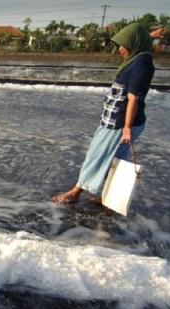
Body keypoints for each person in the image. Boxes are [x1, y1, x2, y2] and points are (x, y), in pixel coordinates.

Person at [52, 23, 156, 204]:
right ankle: (111, 200)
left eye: (123, 45)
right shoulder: (141, 58)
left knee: (96, 156)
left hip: (119, 123)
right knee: (117, 160)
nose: (120, 50)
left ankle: (75, 193)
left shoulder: (141, 64)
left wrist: (126, 128)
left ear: (134, 43)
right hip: (117, 121)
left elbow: (133, 99)